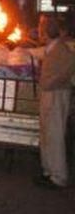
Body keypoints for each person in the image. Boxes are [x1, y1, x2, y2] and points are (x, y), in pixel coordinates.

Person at [34, 17, 75, 189]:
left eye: (41, 28)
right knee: (47, 134)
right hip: (50, 94)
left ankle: (58, 176)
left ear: (46, 32)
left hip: (56, 95)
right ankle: (48, 170)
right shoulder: (54, 47)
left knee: (55, 135)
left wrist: (48, 82)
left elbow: (68, 69)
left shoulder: (63, 50)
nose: (39, 31)